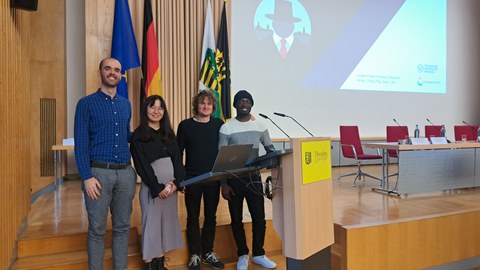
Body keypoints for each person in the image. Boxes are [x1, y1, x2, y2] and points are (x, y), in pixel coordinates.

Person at [74, 57, 137, 270]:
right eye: (108, 69)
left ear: (120, 76)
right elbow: (81, 143)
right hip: (98, 175)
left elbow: (126, 136)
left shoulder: (125, 104)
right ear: (100, 72)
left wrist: (148, 135)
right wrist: (86, 176)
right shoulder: (86, 104)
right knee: (97, 230)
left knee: (122, 228)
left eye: (117, 70)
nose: (112, 72)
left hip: (125, 175)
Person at [218, 90, 277, 270]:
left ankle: (258, 254)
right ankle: (242, 254)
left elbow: (270, 149)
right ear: (235, 105)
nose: (244, 104)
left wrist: (273, 159)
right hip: (234, 180)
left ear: (251, 104)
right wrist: (223, 184)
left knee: (259, 218)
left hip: (254, 178)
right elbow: (221, 159)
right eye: (241, 101)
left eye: (247, 101)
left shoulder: (260, 125)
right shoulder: (226, 127)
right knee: (236, 219)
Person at [130, 95, 185, 270]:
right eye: (152, 107)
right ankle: (149, 264)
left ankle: (159, 263)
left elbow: (178, 160)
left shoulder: (168, 133)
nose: (156, 111)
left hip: (171, 188)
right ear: (146, 109)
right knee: (151, 225)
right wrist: (157, 187)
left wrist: (177, 183)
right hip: (153, 188)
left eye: (160, 108)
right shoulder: (139, 135)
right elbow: (142, 165)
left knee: (164, 224)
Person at [177, 90, 225, 270]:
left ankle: (207, 252)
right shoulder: (185, 125)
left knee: (211, 217)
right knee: (193, 218)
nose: (205, 106)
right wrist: (180, 178)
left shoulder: (219, 125)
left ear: (213, 107)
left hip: (213, 179)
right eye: (202, 103)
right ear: (196, 105)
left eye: (209, 104)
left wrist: (222, 181)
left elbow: (223, 151)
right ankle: (195, 255)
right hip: (192, 180)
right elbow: (177, 153)